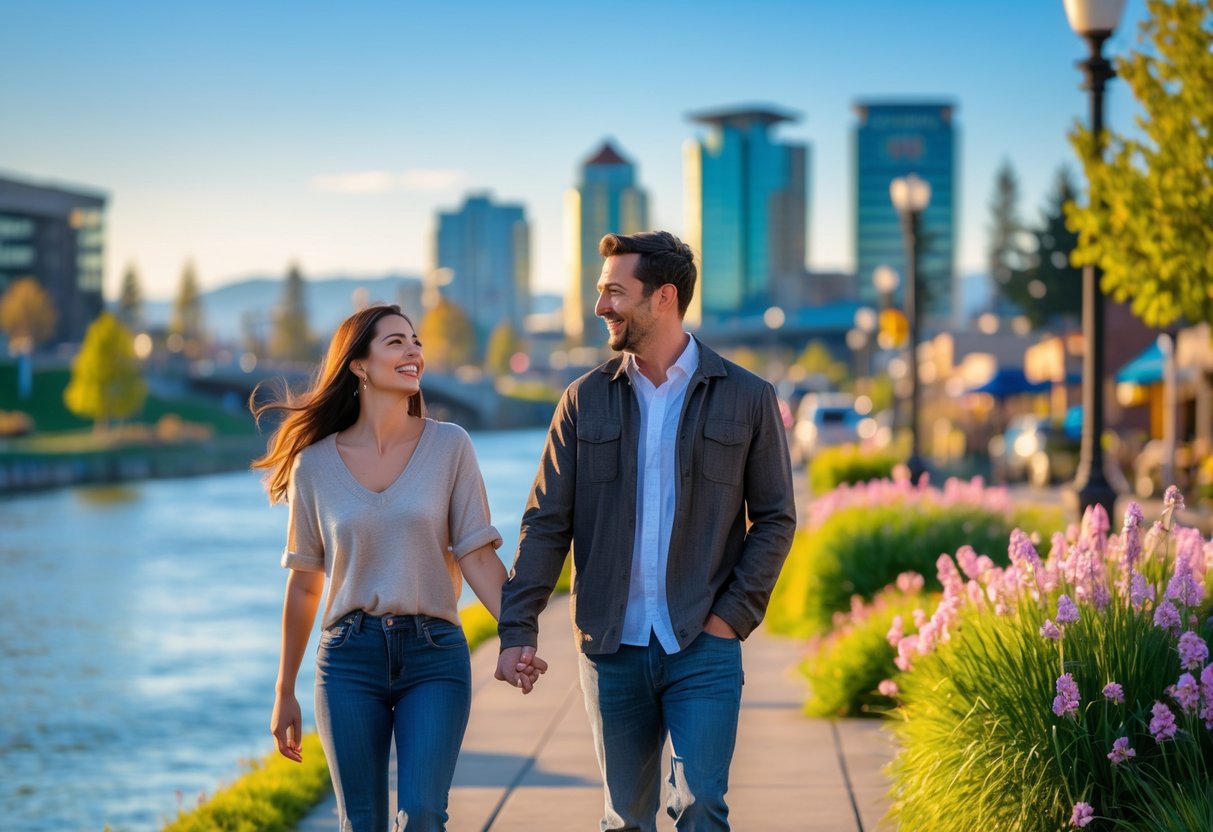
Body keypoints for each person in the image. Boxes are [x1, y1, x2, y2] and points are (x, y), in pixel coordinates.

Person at [495, 231, 797, 830]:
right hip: (610, 647)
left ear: (663, 297)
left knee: (702, 806)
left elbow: (775, 519)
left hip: (703, 644)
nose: (601, 305)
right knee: (626, 819)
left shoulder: (749, 398)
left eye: (614, 291)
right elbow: (546, 523)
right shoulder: (583, 401)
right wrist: (516, 628)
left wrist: (729, 618)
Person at [251, 303, 544, 832]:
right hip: (346, 660)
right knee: (360, 822)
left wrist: (516, 636)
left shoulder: (451, 445)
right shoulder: (313, 465)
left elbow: (476, 553)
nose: (414, 351)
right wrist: (283, 690)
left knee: (424, 815)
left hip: (434, 656)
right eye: (396, 342)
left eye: (416, 342)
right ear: (358, 365)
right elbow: (303, 583)